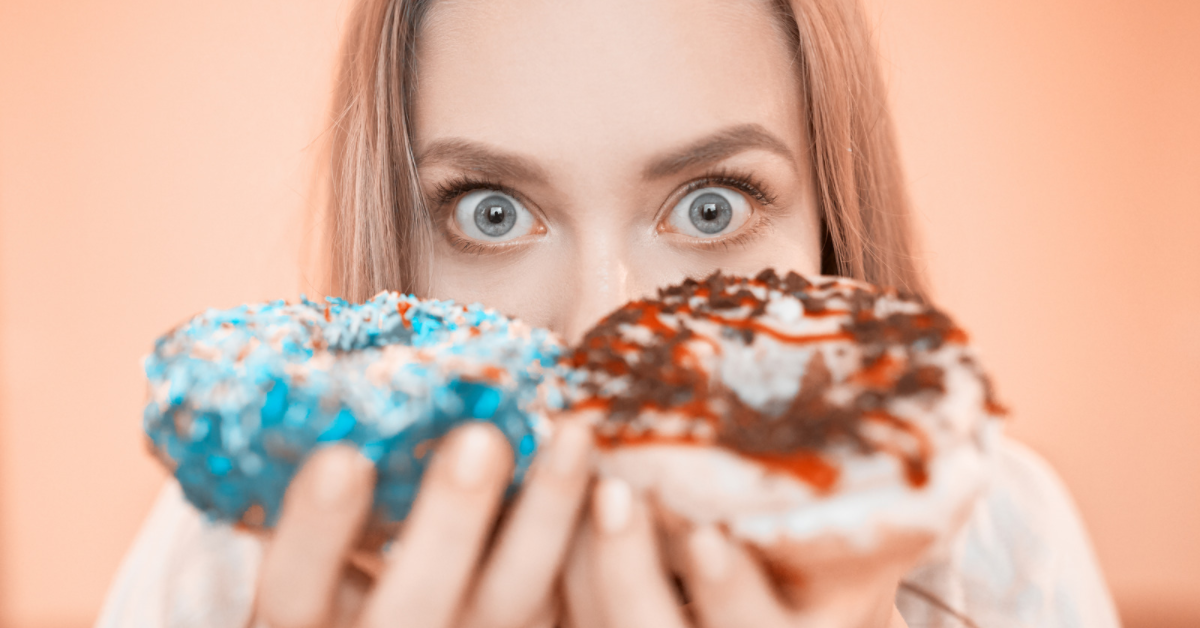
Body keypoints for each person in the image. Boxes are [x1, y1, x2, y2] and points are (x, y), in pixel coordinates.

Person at [96, 0, 1122, 626]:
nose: (600, 327)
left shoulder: (996, 541)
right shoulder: (229, 566)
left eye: (710, 206)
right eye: (491, 213)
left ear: (829, 236)